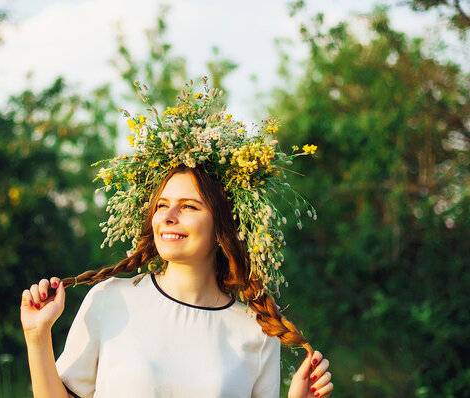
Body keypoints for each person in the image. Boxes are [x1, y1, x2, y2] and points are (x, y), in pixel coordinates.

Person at [20, 79, 333, 398]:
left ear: (224, 225)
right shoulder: (110, 299)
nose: (168, 217)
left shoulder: (257, 331)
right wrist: (37, 335)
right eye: (162, 206)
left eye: (189, 206)